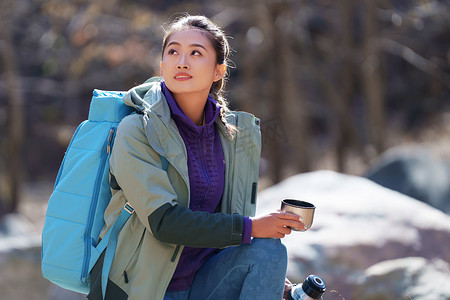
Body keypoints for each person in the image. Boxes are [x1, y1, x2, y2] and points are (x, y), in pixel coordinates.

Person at [87, 14, 304, 300]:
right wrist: (251, 227)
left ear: (218, 71)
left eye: (196, 53)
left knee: (269, 251)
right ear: (162, 66)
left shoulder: (227, 135)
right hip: (144, 288)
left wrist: (267, 275)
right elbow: (165, 223)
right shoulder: (136, 131)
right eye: (173, 51)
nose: (182, 61)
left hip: (201, 282)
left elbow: (223, 222)